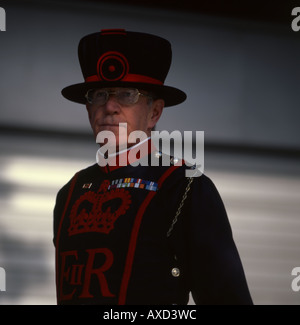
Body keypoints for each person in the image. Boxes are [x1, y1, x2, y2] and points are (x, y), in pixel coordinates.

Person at [53, 28, 253, 305]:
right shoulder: (70, 192)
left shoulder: (184, 187)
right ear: (88, 108)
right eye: (98, 94)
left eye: (127, 94)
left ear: (154, 112)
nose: (109, 106)